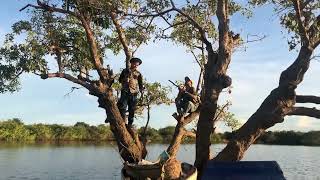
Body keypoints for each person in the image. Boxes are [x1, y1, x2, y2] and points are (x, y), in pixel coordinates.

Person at [117, 57, 144, 126]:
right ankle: (122, 122)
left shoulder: (138, 73)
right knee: (122, 107)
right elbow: (119, 80)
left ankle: (130, 124)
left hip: (134, 93)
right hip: (125, 91)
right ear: (131, 63)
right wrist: (125, 79)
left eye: (137, 65)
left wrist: (141, 91)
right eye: (134, 64)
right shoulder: (125, 71)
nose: (135, 66)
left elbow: (140, 84)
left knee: (132, 109)